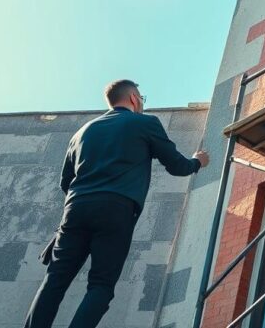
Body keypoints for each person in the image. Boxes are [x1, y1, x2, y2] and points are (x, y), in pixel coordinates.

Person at [23, 80, 210, 328]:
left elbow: (66, 182)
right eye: (142, 97)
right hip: (116, 208)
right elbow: (177, 166)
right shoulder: (145, 123)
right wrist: (197, 161)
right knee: (101, 285)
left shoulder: (82, 132)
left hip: (76, 208)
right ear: (134, 98)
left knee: (55, 280)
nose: (142, 102)